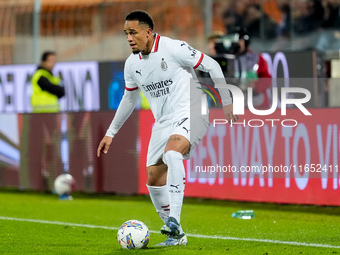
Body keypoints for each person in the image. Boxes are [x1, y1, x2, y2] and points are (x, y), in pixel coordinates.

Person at [97, 10, 238, 246]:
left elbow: (212, 65)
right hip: (163, 122)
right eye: (126, 34)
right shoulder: (132, 64)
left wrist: (226, 100)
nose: (129, 38)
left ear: (148, 32)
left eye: (133, 32)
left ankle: (173, 219)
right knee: (153, 178)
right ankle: (178, 235)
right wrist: (111, 132)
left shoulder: (174, 48)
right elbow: (129, 99)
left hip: (192, 111)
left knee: (172, 153)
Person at [215, 27, 272, 108]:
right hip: (234, 103)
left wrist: (255, 85)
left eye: (240, 40)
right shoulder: (226, 59)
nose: (237, 43)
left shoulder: (256, 58)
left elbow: (266, 78)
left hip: (256, 102)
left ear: (245, 41)